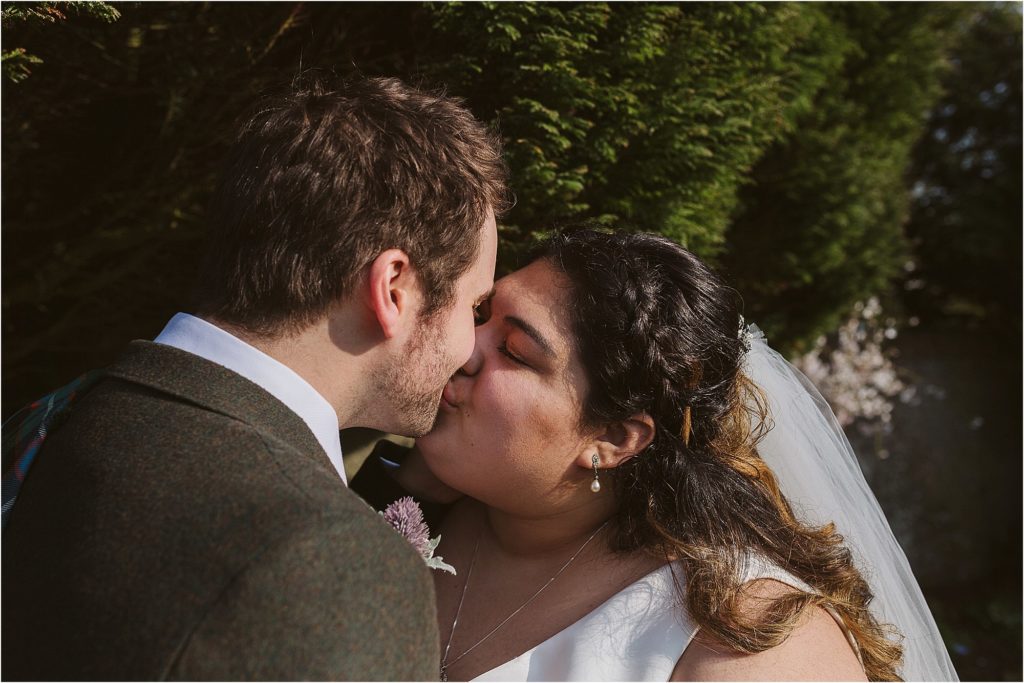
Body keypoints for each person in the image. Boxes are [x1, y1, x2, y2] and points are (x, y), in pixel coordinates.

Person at [2, 75, 507, 680]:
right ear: (393, 288)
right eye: (473, 307)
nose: (470, 347)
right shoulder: (328, 557)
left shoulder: (58, 414)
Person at [360, 229, 957, 681]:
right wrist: (400, 491)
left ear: (614, 439)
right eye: (479, 315)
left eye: (514, 351)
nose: (462, 348)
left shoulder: (748, 641)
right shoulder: (399, 500)